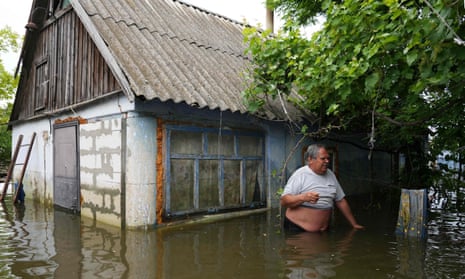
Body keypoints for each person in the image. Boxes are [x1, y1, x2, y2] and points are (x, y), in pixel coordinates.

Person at [281, 144, 364, 232]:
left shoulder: (331, 174)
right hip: (298, 229)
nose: (327, 161)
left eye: (328, 158)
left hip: (322, 231)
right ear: (310, 159)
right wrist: (303, 197)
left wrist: (354, 224)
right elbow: (284, 201)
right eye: (323, 158)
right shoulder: (300, 175)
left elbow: (340, 200)